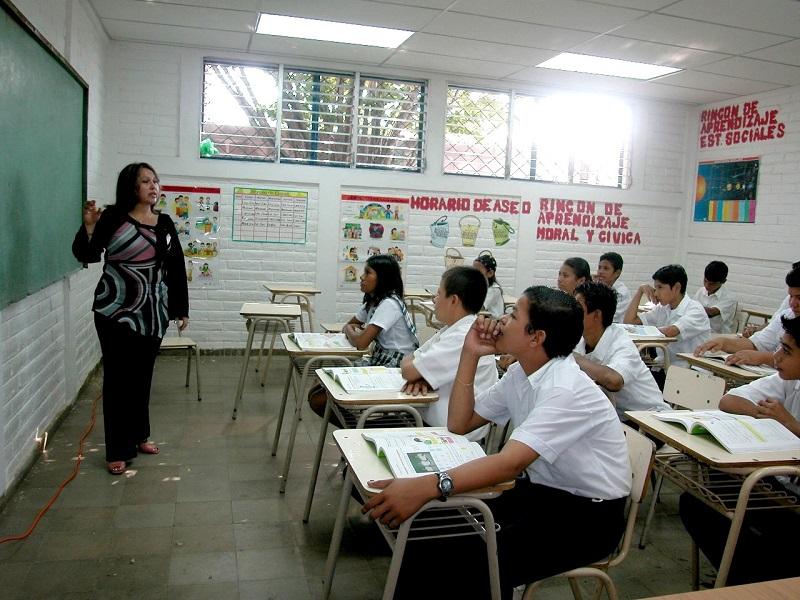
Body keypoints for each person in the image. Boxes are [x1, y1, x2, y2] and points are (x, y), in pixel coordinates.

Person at [363, 287, 630, 599]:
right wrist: (470, 352)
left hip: (588, 518)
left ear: (536, 337)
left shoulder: (565, 389)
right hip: (541, 494)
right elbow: (461, 423)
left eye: (514, 315)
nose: (501, 320)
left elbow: (509, 464)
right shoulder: (522, 372)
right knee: (430, 532)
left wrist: (426, 486)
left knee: (476, 559)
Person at [72, 162, 189, 475]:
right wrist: (89, 227)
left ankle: (139, 436)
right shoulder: (112, 218)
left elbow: (175, 266)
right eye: (145, 181)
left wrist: (180, 309)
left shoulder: (163, 222)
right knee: (118, 380)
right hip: (114, 311)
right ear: (131, 187)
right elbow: (87, 255)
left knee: (142, 377)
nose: (153, 186)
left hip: (152, 313)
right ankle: (117, 449)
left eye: (155, 180)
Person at [680, 315, 800, 585]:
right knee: (697, 501)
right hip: (777, 482)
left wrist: (790, 424)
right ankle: (746, 576)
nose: (776, 357)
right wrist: (766, 416)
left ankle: (750, 579)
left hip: (793, 495)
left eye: (787, 351)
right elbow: (729, 400)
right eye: (779, 347)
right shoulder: (787, 379)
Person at [308, 254, 418, 417]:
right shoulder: (374, 301)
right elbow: (352, 324)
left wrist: (348, 330)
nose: (362, 277)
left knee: (319, 397)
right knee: (320, 383)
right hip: (380, 358)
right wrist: (350, 329)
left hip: (396, 364)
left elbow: (361, 342)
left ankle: (358, 427)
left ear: (382, 278)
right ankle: (357, 426)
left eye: (368, 273)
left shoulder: (389, 304)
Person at [400, 266, 498, 439]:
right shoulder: (453, 329)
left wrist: (418, 374)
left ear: (453, 300)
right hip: (434, 423)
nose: (434, 299)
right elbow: (410, 362)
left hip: (450, 434)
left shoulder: (462, 336)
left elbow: (408, 369)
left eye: (438, 294)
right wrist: (420, 375)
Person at [573, 282, 669, 421]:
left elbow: (614, 381)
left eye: (577, 308)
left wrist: (575, 358)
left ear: (596, 315)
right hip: (616, 417)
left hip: (650, 420)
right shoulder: (581, 339)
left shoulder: (622, 342)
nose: (571, 312)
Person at [695, 266, 800, 366]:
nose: (792, 303)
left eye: (799, 298)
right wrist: (724, 342)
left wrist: (763, 357)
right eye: (790, 296)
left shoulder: (729, 297)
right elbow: (756, 344)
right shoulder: (787, 315)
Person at [624, 264, 711, 370]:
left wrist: (639, 331)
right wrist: (639, 291)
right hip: (664, 365)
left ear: (676, 288)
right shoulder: (663, 308)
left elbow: (670, 332)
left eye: (660, 287)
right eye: (655, 288)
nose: (655, 293)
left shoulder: (695, 310)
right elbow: (629, 322)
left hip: (689, 370)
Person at [693, 261, 737, 334]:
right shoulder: (701, 291)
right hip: (699, 332)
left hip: (718, 336)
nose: (707, 285)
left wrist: (688, 306)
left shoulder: (729, 298)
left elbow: (711, 313)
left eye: (712, 284)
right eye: (705, 281)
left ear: (723, 281)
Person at [595, 251, 631, 323]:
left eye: (606, 268)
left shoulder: (621, 292)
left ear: (617, 273)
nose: (600, 271)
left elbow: (611, 316)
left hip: (614, 328)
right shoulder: (598, 286)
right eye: (599, 267)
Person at [473, 252, 504, 318]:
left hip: (493, 323)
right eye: (472, 271)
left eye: (477, 272)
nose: (473, 275)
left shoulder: (493, 289)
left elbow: (479, 307)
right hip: (483, 319)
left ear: (490, 273)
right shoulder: (480, 287)